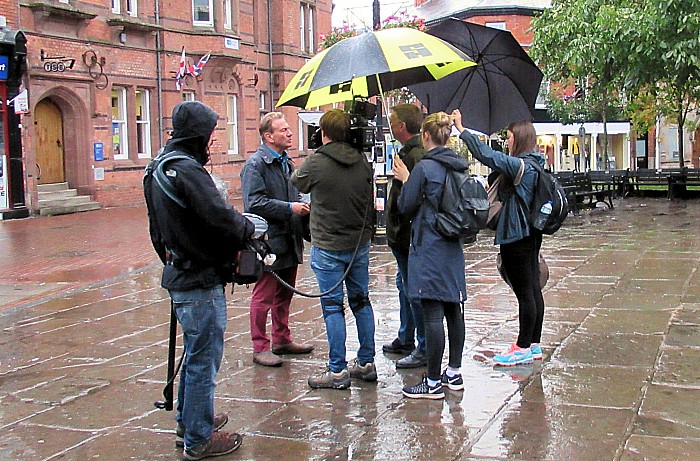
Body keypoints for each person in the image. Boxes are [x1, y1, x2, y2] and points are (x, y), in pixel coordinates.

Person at [144, 101, 254, 459]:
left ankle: (191, 420)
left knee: (196, 353)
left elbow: (156, 232)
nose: (211, 142)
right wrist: (247, 229)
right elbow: (220, 217)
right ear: (198, 135)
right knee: (204, 358)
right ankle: (199, 437)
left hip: (180, 272)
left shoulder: (157, 168)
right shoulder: (187, 170)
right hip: (198, 279)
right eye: (209, 133)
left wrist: (175, 258)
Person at [290, 109, 377, 390]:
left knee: (332, 307)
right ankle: (366, 362)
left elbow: (297, 180)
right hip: (358, 244)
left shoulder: (317, 161)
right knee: (361, 302)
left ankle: (337, 370)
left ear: (323, 133)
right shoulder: (362, 160)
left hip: (328, 244)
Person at [453, 109, 545, 367]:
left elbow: (487, 156)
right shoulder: (536, 163)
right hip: (530, 233)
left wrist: (462, 130)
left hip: (516, 235)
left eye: (509, 137)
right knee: (533, 288)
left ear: (519, 139)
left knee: (524, 291)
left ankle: (522, 346)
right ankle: (533, 344)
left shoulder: (521, 166)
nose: (507, 142)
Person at [392, 112, 467, 400]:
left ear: (425, 136)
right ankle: (454, 372)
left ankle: (433, 382)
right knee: (453, 309)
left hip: (430, 245)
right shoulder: (459, 166)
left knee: (433, 312)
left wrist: (405, 180)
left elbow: (406, 206)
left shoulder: (424, 168)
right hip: (453, 245)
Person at [241, 112, 314, 367]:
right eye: (283, 130)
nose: (290, 133)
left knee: (285, 293)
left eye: (288, 129)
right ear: (268, 136)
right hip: (269, 241)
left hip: (289, 237)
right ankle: (260, 346)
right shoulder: (255, 165)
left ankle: (281, 338)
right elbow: (255, 203)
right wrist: (289, 208)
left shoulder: (286, 162)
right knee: (264, 296)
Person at [383, 104, 428, 369]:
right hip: (401, 235)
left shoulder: (416, 156)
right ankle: (406, 336)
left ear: (402, 126)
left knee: (413, 290)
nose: (390, 124)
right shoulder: (407, 153)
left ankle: (423, 346)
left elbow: (418, 195)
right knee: (403, 286)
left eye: (392, 120)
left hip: (408, 235)